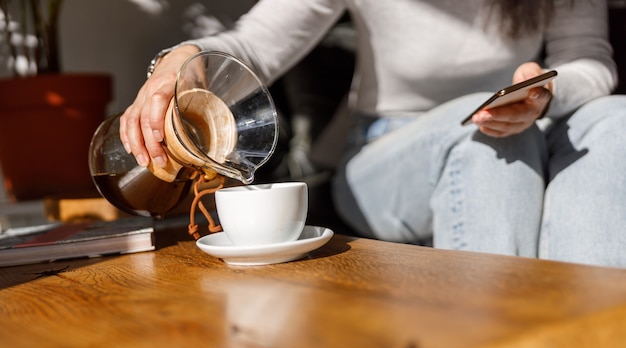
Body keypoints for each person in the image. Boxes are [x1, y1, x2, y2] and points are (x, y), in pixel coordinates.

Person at [119, 0, 626, 267]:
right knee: (492, 146)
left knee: (616, 120)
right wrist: (179, 63)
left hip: (527, 123)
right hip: (387, 150)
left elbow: (589, 58)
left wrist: (543, 94)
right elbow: (252, 45)